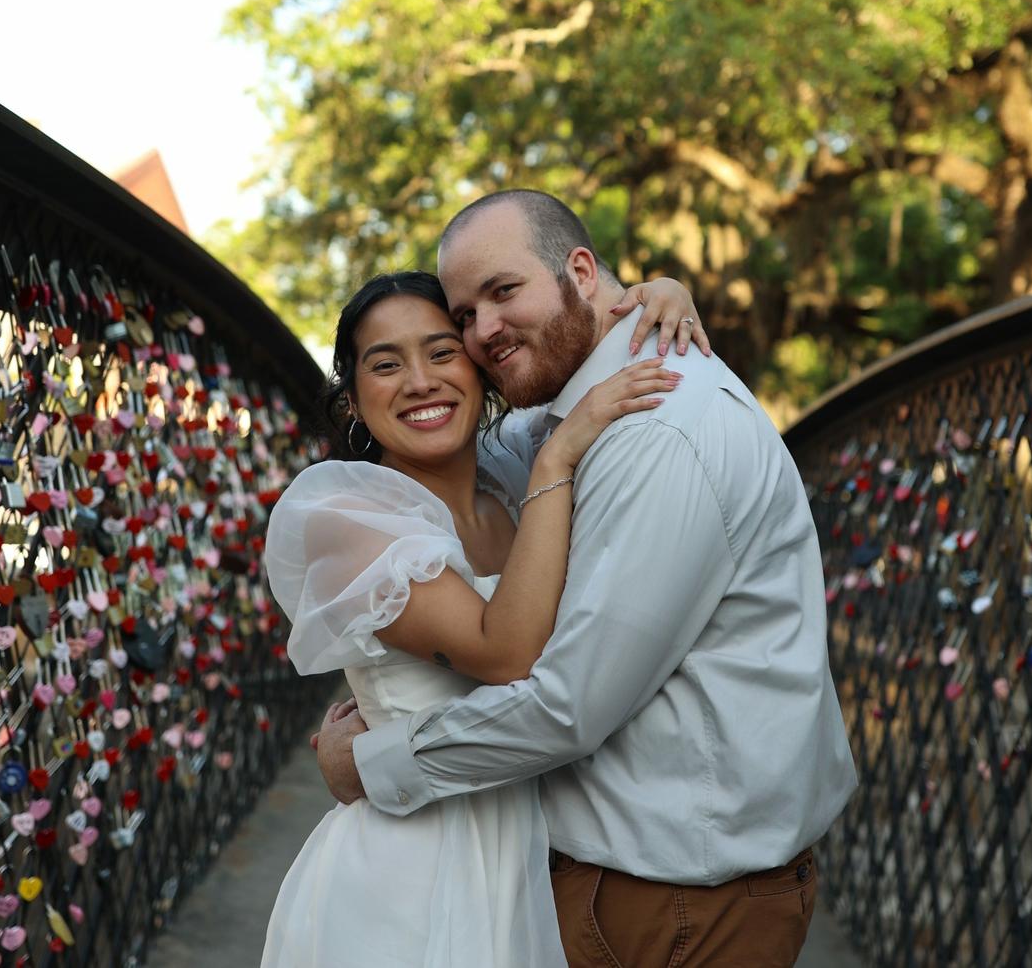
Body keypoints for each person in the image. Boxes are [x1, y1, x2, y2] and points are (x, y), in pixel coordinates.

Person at [314, 190, 858, 968]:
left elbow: (569, 705)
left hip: (681, 901)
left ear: (579, 269)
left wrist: (370, 764)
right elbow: (474, 452)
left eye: (504, 293)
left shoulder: (658, 429)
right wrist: (646, 293)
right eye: (464, 317)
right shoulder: (546, 432)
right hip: (570, 880)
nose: (482, 335)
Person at [261, 268, 704, 966]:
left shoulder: (505, 477)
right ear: (350, 399)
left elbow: (569, 320)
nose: (421, 381)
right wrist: (560, 457)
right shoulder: (347, 517)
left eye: (442, 352)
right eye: (386, 364)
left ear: (479, 370)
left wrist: (662, 292)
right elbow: (506, 655)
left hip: (532, 857)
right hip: (410, 874)